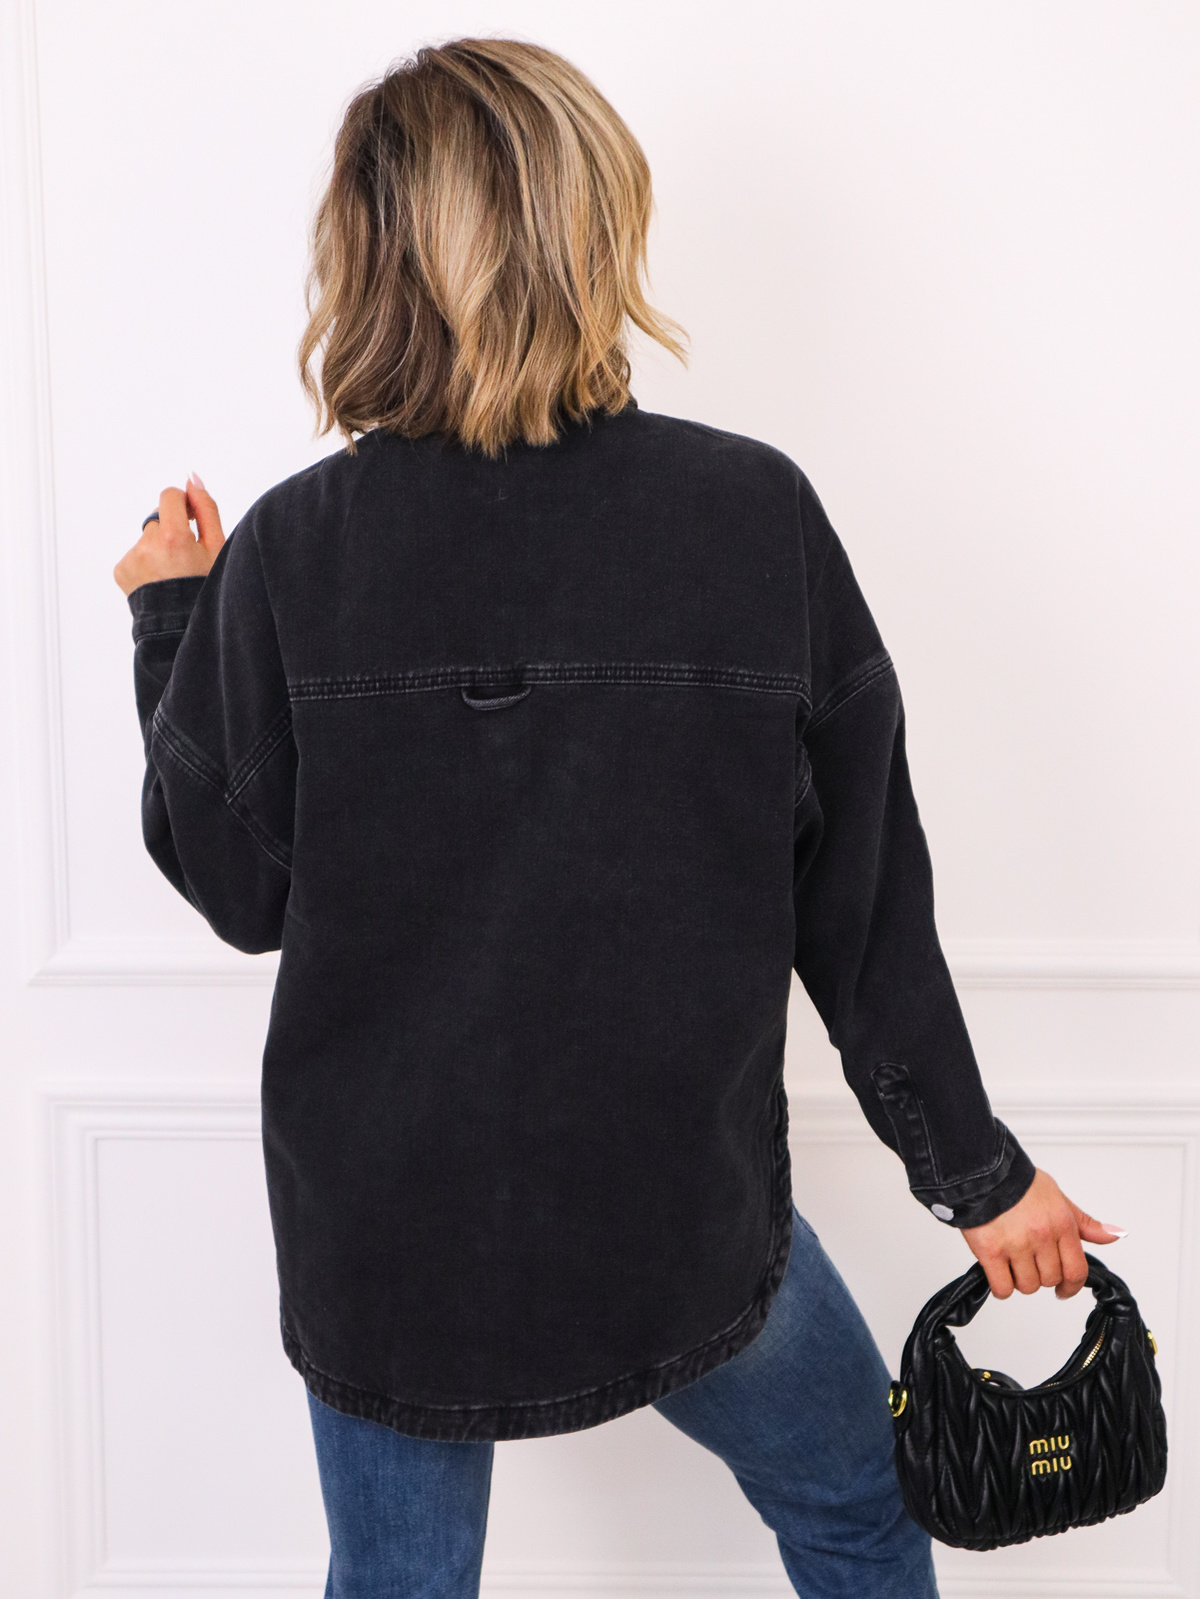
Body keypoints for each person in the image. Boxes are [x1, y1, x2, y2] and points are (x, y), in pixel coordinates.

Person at [113, 37, 1124, 1599]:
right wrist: (981, 1180)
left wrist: (177, 618)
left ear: (372, 262)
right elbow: (859, 911)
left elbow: (242, 894)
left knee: (395, 1587)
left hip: (390, 1240)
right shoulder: (753, 517)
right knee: (861, 1513)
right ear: (594, 233)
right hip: (678, 1222)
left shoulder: (296, 553)